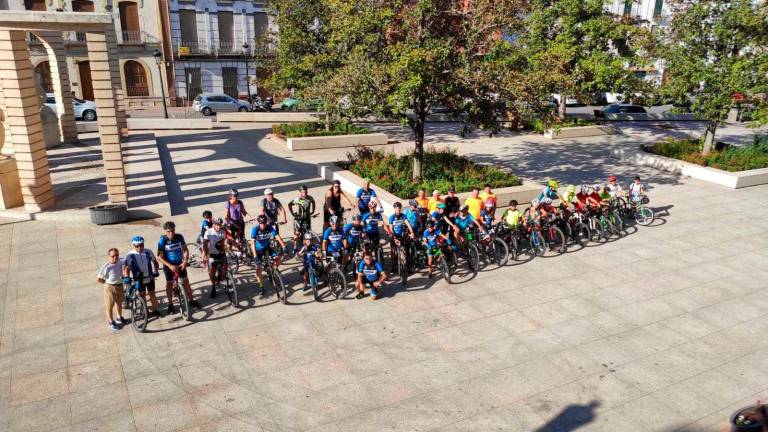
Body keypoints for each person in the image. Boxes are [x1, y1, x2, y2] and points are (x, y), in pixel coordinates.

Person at [157, 221, 198, 314]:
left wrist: (185, 261)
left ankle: (191, 300)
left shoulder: (179, 237)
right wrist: (170, 266)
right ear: (165, 232)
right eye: (168, 231)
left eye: (172, 231)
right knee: (169, 284)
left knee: (186, 281)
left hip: (179, 263)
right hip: (169, 265)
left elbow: (185, 250)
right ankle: (170, 304)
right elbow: (159, 257)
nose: (171, 233)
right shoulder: (162, 240)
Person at [125, 236, 162, 317]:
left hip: (150, 277)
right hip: (139, 279)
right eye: (137, 246)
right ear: (133, 245)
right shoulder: (129, 255)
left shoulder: (148, 252)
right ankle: (145, 311)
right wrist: (127, 277)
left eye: (141, 245)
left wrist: (156, 271)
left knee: (152, 294)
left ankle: (155, 310)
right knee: (143, 295)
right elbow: (126, 268)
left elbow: (155, 262)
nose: (139, 247)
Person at [250, 215, 287, 294]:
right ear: (258, 223)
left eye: (264, 223)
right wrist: (255, 256)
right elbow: (252, 244)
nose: (262, 225)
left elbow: (277, 236)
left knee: (278, 258)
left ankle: (273, 271)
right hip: (258, 251)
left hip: (267, 248)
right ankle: (261, 286)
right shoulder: (255, 229)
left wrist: (284, 246)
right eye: (261, 223)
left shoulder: (269, 227)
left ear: (266, 222)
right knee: (258, 270)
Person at [97, 248, 128, 331]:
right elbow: (99, 279)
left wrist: (126, 270)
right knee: (109, 306)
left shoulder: (120, 261)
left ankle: (119, 317)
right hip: (110, 287)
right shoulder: (106, 267)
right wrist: (107, 283)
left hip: (120, 285)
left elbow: (127, 261)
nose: (115, 257)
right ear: (109, 256)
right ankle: (111, 321)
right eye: (113, 256)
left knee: (119, 303)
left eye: (117, 255)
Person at [202, 217, 228, 298]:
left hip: (221, 253)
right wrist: (206, 255)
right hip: (212, 254)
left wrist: (227, 248)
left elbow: (224, 243)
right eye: (217, 225)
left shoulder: (223, 231)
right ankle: (213, 287)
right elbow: (205, 245)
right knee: (212, 271)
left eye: (220, 225)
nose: (219, 227)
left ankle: (223, 280)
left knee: (224, 269)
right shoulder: (209, 232)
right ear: (214, 225)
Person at [385, 202, 415, 271]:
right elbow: (391, 228)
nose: (398, 209)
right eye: (397, 208)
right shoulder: (391, 217)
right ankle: (394, 264)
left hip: (402, 235)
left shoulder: (403, 216)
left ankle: (408, 265)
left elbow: (408, 224)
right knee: (394, 251)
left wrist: (412, 232)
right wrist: (394, 237)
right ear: (394, 209)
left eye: (399, 208)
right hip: (395, 235)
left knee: (407, 249)